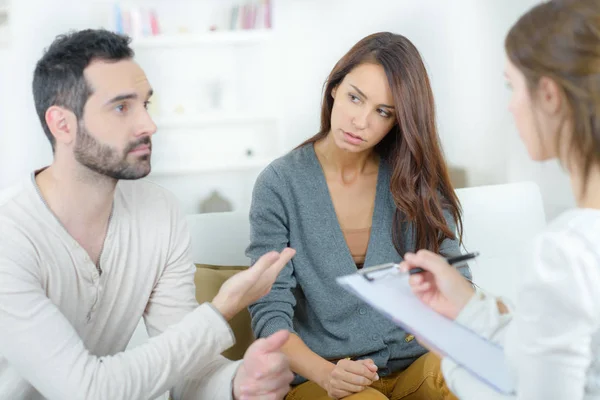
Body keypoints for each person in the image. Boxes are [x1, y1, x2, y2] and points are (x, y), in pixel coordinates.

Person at [0, 29, 296, 400]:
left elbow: (186, 370)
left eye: (146, 103)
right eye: (122, 107)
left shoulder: (160, 213)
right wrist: (223, 308)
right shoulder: (8, 236)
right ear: (62, 124)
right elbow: (87, 390)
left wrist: (239, 383)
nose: (149, 125)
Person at [246, 32, 471, 400]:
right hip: (325, 376)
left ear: (399, 121)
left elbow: (458, 282)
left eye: (383, 112)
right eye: (355, 98)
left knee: (466, 376)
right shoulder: (280, 184)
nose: (361, 121)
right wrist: (327, 373)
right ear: (334, 88)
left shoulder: (414, 179)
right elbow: (270, 312)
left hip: (413, 363)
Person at [401, 1, 600, 399]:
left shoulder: (566, 252)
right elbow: (548, 346)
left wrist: (451, 351)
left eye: (512, 86)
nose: (510, 105)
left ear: (549, 95)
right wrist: (468, 307)